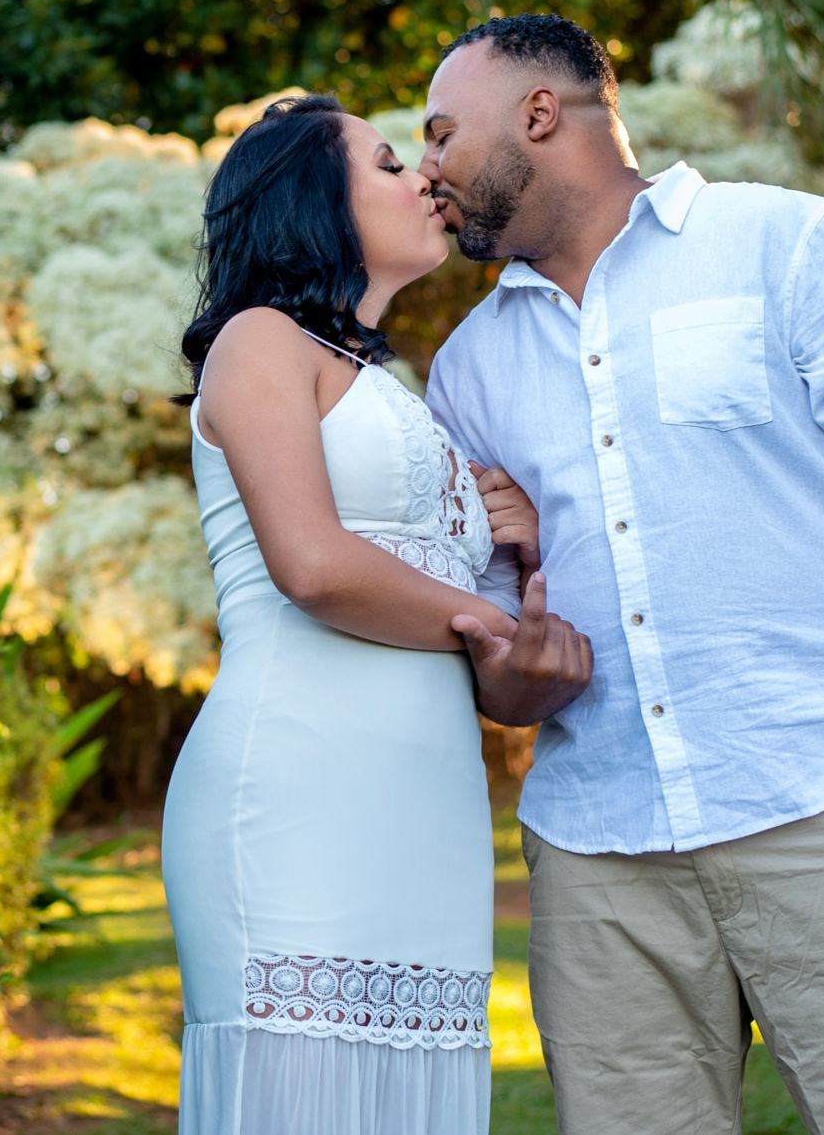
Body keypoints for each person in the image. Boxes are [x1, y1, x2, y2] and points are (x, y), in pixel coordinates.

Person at [419, 13, 824, 1134]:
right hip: (599, 857)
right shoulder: (465, 372)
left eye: (444, 134)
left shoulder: (783, 242)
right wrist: (525, 674)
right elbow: (499, 658)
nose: (428, 171)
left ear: (540, 115)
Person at [160, 93, 591, 1135]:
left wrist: (519, 559)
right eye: (393, 164)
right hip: (296, 802)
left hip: (427, 823)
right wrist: (486, 621)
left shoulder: (404, 399)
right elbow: (312, 564)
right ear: (314, 205)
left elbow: (480, 663)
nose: (426, 181)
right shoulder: (258, 343)